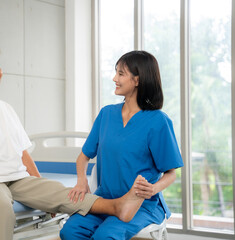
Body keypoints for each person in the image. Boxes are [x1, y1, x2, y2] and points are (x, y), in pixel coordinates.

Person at [0, 42, 148, 240]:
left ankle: (116, 206)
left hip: (16, 177)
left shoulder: (6, 109)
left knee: (59, 192)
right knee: (1, 206)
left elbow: (23, 153)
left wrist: (41, 188)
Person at [60, 50, 184, 239]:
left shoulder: (158, 121)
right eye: (115, 72)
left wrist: (153, 189)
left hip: (142, 205)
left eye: (120, 73)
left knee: (105, 236)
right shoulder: (106, 114)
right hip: (105, 200)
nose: (114, 78)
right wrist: (81, 181)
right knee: (70, 231)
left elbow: (171, 173)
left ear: (137, 80)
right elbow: (84, 156)